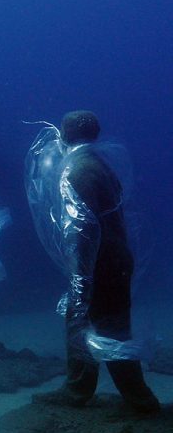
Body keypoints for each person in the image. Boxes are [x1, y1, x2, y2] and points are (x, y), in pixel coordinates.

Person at [27, 111, 160, 413]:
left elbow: (83, 228)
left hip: (99, 264)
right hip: (116, 261)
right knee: (112, 327)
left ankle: (87, 393)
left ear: (66, 134)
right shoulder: (100, 165)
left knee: (84, 322)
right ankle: (133, 397)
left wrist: (80, 277)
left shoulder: (77, 169)